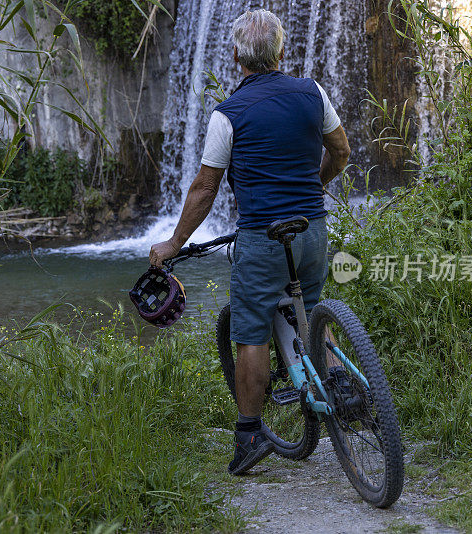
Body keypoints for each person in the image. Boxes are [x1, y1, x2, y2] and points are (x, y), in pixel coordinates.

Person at [149, 9, 351, 475]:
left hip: (261, 238)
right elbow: (340, 150)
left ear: (236, 55)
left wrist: (176, 242)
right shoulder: (312, 93)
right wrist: (316, 187)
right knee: (313, 306)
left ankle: (251, 433)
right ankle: (341, 384)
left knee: (251, 331)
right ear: (282, 52)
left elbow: (204, 188)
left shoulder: (229, 113)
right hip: (313, 230)